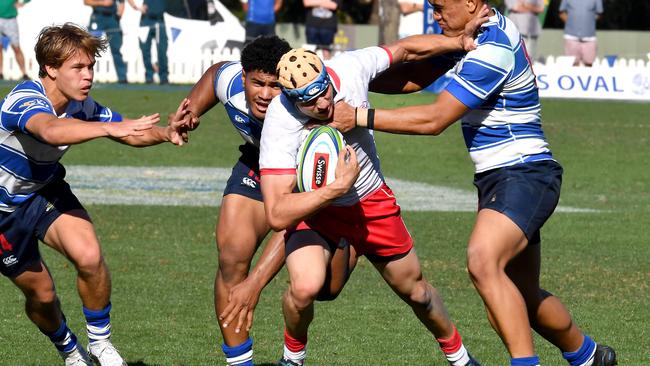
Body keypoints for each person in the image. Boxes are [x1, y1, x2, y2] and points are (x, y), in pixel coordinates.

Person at [328, 1, 617, 366]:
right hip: (503, 177)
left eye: (441, 6)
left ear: (469, 3)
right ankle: (589, 356)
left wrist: (355, 114)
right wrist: (352, 79)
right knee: (522, 295)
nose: (435, 14)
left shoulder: (492, 46)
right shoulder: (473, 34)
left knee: (483, 262)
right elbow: (412, 79)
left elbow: (434, 119)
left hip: (524, 173)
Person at [259, 22, 486, 364]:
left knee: (418, 293)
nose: (322, 103)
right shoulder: (280, 119)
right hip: (318, 211)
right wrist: (335, 188)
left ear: (326, 73)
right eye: (309, 100)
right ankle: (292, 358)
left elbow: (405, 49)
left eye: (324, 91)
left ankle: (461, 358)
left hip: (371, 202)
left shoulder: (349, 68)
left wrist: (454, 41)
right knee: (304, 289)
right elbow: (277, 213)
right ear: (291, 99)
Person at [0, 23, 189, 366]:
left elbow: (129, 132)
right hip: (3, 212)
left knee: (89, 256)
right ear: (51, 69)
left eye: (90, 67)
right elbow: (48, 128)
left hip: (43, 191)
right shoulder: (24, 99)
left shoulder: (81, 106)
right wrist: (107, 128)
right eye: (78, 68)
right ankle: (71, 352)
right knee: (41, 296)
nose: (87, 76)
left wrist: (165, 132)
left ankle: (101, 344)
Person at [177, 35, 354, 366]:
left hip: (306, 176)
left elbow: (284, 218)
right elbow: (216, 74)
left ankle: (344, 238)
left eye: (275, 86)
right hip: (256, 165)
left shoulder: (305, 115)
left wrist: (254, 286)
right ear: (244, 77)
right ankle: (239, 361)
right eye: (257, 83)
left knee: (326, 289)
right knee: (232, 256)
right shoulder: (231, 82)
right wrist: (191, 110)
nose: (265, 94)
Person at [84, 0, 128, 83]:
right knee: (90, 48)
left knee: (116, 49)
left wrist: (119, 15)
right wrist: (102, 3)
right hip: (98, 17)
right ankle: (85, 76)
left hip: (112, 18)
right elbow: (86, 1)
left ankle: (122, 78)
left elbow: (122, 3)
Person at [128, 0, 168, 84]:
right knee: (145, 50)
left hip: (160, 20)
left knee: (162, 50)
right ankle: (149, 76)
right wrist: (136, 6)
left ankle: (164, 77)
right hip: (146, 19)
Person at [559, 0, 603, 67]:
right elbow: (561, 12)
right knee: (573, 64)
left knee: (589, 64)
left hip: (589, 37)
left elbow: (599, 13)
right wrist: (570, 23)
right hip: (571, 37)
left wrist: (588, 22)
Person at [0, 0, 29, 80]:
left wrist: (23, 3)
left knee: (16, 47)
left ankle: (24, 73)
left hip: (10, 19)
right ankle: (0, 73)